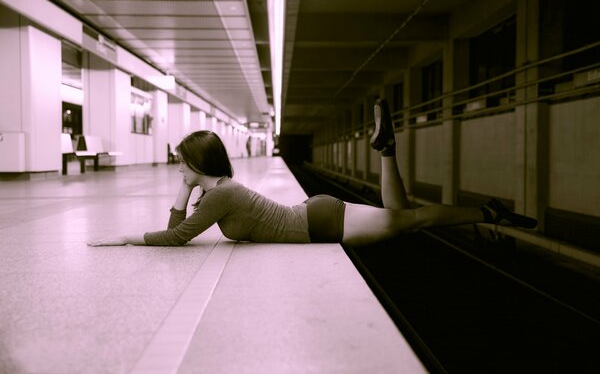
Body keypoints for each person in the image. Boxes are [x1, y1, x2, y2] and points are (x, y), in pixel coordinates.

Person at [88, 99, 537, 248]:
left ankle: (483, 211)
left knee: (411, 219)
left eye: (181, 162)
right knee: (405, 215)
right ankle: (392, 157)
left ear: (197, 163)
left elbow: (175, 239)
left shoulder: (221, 195)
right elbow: (179, 228)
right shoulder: (216, 192)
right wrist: (182, 190)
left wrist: (123, 239)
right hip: (314, 217)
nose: (178, 167)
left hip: (321, 221)